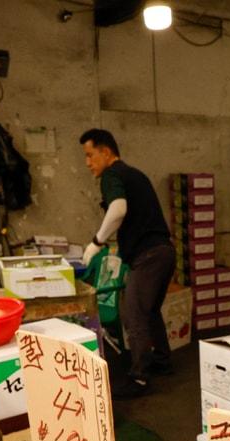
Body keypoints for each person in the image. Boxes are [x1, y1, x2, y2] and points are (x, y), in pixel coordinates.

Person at [78, 128, 174, 399]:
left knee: (134, 313)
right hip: (164, 252)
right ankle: (162, 361)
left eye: (89, 155)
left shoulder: (112, 174)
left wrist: (96, 242)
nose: (87, 163)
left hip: (150, 256)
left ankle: (140, 378)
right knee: (150, 309)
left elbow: (118, 209)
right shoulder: (135, 174)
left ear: (106, 152)